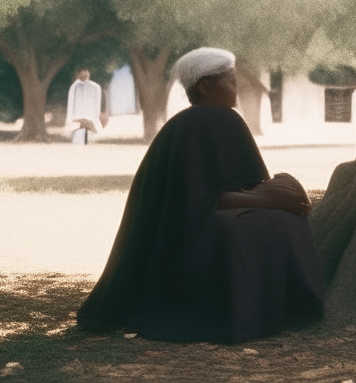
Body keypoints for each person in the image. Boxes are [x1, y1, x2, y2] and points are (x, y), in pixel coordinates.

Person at [78, 47, 323, 342]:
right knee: (257, 226)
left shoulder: (213, 123)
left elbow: (248, 183)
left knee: (282, 221)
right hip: (188, 232)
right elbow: (198, 200)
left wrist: (276, 199)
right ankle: (274, 310)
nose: (237, 87)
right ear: (205, 87)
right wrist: (274, 200)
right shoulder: (196, 126)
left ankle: (287, 307)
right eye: (230, 81)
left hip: (210, 217)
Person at [66, 68, 106, 144]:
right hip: (78, 117)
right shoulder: (74, 87)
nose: (85, 73)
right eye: (82, 71)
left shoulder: (95, 86)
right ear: (78, 74)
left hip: (90, 117)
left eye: (86, 71)